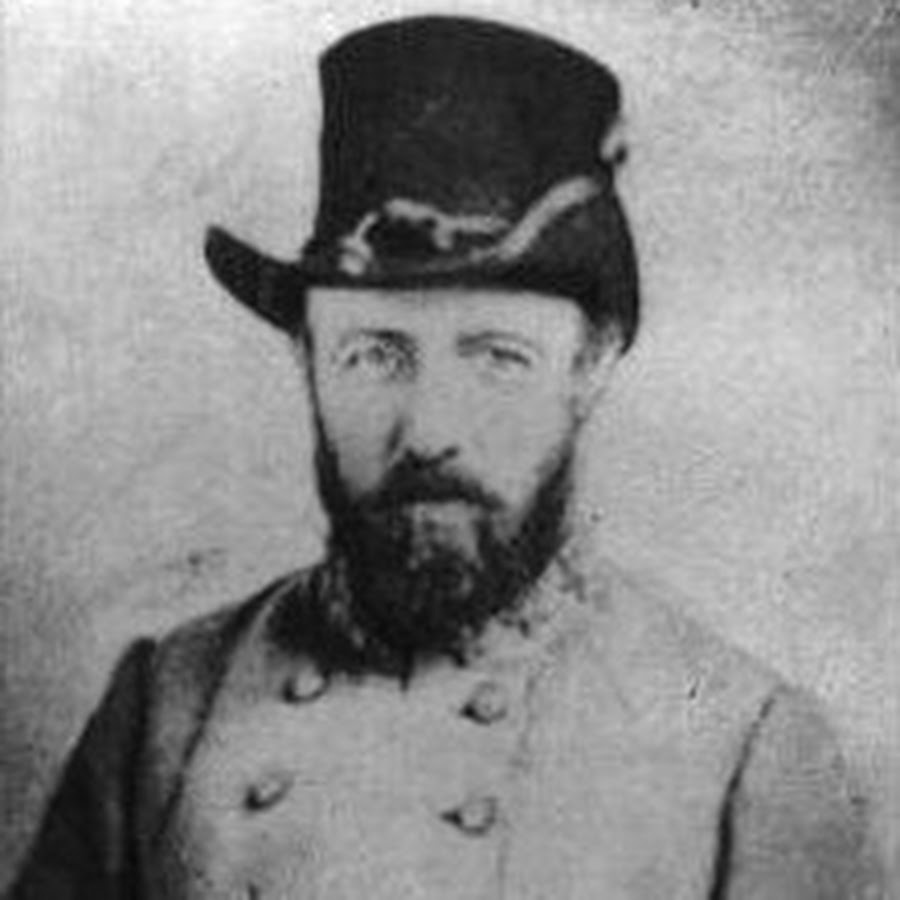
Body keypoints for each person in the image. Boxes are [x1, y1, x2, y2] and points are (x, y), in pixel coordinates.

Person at [8, 15, 882, 900]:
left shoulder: (746, 751)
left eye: (498, 358)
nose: (428, 430)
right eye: (373, 355)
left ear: (590, 365)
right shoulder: (161, 711)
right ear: (307, 358)